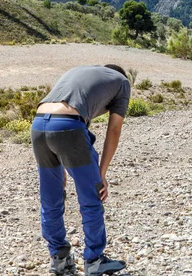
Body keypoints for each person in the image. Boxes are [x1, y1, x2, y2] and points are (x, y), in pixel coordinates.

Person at [31, 64, 131, 276]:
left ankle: (59, 259)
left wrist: (62, 161)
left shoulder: (84, 75)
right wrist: (101, 173)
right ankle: (94, 259)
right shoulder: (122, 82)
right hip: (68, 126)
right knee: (92, 195)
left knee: (51, 197)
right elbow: (114, 129)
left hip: (39, 124)